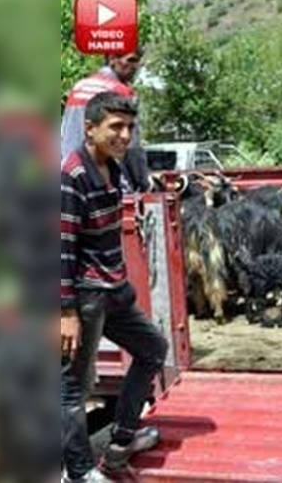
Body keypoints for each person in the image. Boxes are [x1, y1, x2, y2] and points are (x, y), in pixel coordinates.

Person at [60, 91, 167, 483]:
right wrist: (66, 312)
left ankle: (122, 439)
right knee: (72, 388)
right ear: (89, 128)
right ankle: (80, 472)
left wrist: (121, 284)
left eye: (129, 127)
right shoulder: (72, 175)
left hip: (113, 290)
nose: (124, 135)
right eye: (115, 127)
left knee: (153, 349)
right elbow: (63, 246)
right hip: (86, 299)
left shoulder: (113, 168)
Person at [60, 49, 149, 193]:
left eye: (138, 62)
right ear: (112, 58)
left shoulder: (79, 87)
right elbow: (133, 149)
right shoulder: (122, 92)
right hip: (106, 182)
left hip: (70, 178)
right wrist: (144, 183)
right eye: (131, 60)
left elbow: (64, 135)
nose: (136, 67)